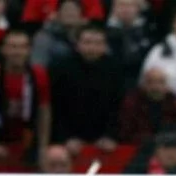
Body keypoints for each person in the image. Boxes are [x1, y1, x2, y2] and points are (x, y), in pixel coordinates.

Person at [0, 28, 52, 166]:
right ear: (3, 49)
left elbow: (44, 112)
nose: (17, 52)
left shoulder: (39, 76)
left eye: (22, 47)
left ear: (29, 50)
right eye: (13, 47)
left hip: (28, 140)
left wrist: (42, 147)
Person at [50, 23, 123, 154]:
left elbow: (118, 107)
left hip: (104, 140)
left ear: (105, 46)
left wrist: (110, 135)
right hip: (68, 139)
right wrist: (65, 137)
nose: (92, 48)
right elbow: (56, 107)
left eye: (98, 43)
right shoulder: (61, 68)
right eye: (87, 42)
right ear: (77, 45)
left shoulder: (114, 69)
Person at [117, 66, 176, 147]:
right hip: (140, 149)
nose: (155, 87)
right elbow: (124, 132)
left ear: (167, 85)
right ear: (143, 84)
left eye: (161, 82)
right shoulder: (132, 103)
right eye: (150, 82)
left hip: (173, 150)